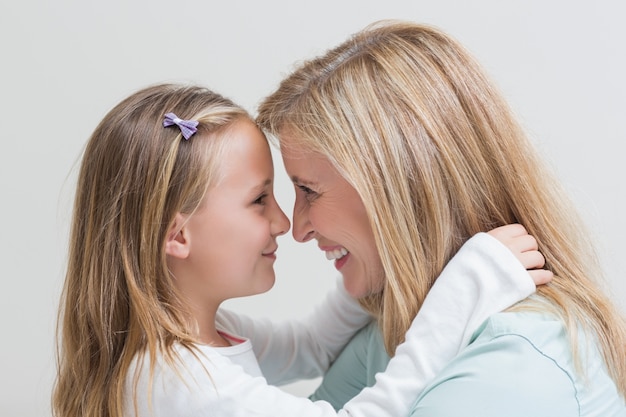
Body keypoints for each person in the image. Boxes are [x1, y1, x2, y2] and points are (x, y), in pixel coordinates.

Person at [52, 83, 549, 417]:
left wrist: (390, 253)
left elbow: (312, 346)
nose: (284, 221)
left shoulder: (204, 342)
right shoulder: (180, 380)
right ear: (178, 236)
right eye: (258, 200)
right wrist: (464, 290)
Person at [255, 20, 626, 416]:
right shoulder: (389, 336)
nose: (298, 229)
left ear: (396, 189)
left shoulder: (510, 368)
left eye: (308, 190)